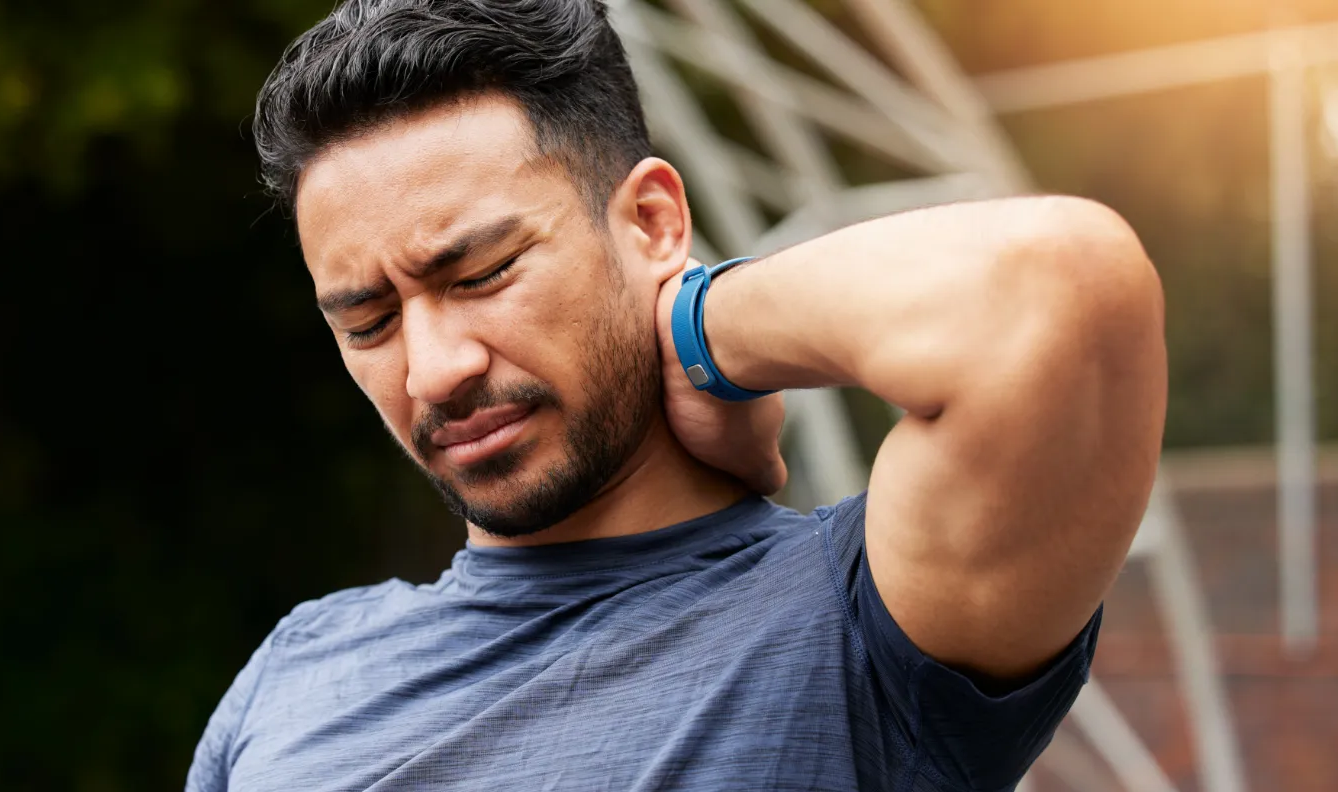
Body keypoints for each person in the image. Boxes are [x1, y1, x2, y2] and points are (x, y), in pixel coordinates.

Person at [186, 0, 1167, 789]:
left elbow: (1058, 293)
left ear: (651, 220)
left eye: (482, 275)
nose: (435, 368)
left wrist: (706, 329)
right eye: (369, 321)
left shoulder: (859, 632)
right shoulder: (301, 667)